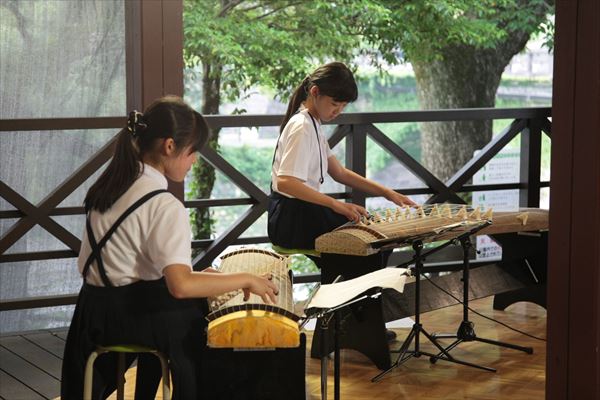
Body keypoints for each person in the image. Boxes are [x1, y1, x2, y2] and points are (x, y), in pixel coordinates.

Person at [61, 95, 278, 400]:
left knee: (188, 302)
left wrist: (207, 279)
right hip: (131, 317)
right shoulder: (164, 205)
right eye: (193, 152)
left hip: (92, 313)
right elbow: (180, 285)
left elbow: (133, 267)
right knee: (200, 320)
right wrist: (246, 279)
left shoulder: (110, 186)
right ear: (170, 146)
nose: (194, 161)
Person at [268, 62, 416, 250]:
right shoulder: (302, 126)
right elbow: (285, 182)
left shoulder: (312, 123)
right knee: (369, 240)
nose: (338, 112)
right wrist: (335, 205)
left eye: (343, 106)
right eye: (334, 104)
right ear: (315, 92)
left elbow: (339, 173)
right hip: (291, 220)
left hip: (300, 213)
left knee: (372, 233)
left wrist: (387, 193)